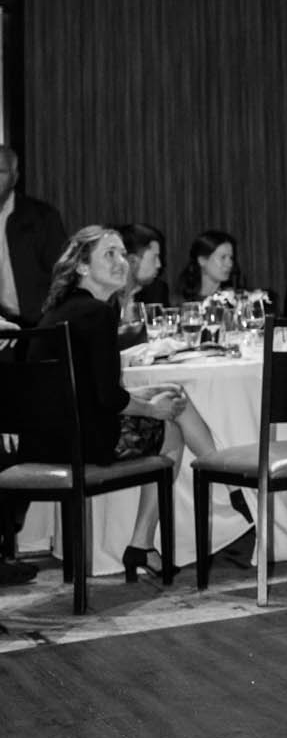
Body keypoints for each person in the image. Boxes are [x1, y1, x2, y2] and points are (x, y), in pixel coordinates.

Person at [29, 227, 215, 580]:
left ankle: (146, 543)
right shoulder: (98, 314)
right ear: (82, 268)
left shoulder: (58, 312)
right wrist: (153, 409)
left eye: (121, 254)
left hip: (46, 440)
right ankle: (146, 541)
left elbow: (88, 390)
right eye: (109, 255)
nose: (121, 263)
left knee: (171, 395)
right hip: (84, 443)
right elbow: (108, 399)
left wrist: (149, 395)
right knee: (172, 423)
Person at [0, 145, 66, 327]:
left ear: (14, 177)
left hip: (39, 322)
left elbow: (62, 272)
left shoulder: (41, 217)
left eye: (1, 172)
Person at [114, 222, 169, 341]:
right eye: (154, 257)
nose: (159, 265)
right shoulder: (105, 296)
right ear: (132, 261)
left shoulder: (157, 290)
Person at [174, 230, 242, 304]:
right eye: (223, 257)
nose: (230, 264)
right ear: (202, 260)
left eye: (231, 258)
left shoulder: (235, 299)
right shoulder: (183, 301)